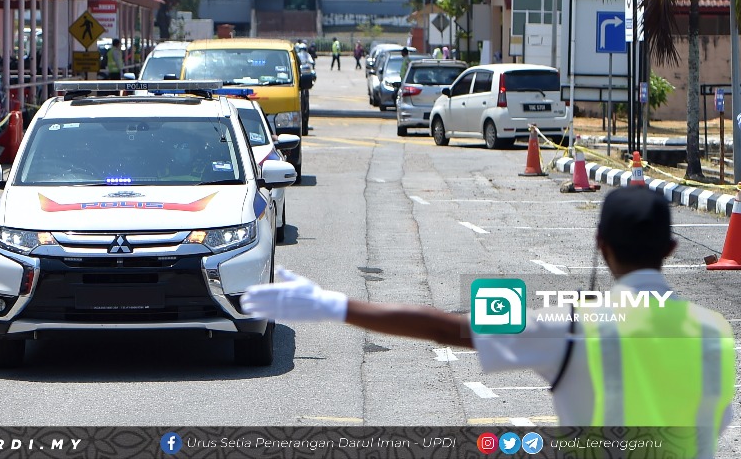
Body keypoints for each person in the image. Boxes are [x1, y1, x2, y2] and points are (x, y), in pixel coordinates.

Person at [242, 187, 735, 457]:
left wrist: (332, 305)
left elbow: (448, 328)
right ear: (671, 250)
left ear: (601, 245)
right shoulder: (715, 333)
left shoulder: (573, 324)